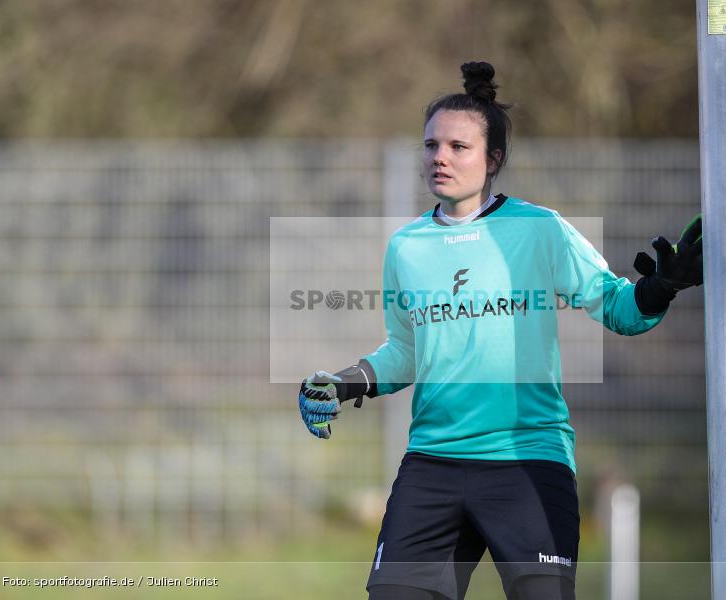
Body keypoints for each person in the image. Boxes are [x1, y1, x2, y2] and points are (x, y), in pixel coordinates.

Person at [297, 61, 703, 600]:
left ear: (493, 159)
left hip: (528, 460)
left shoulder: (540, 229)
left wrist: (658, 289)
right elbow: (407, 351)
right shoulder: (406, 246)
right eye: (430, 145)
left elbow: (619, 310)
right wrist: (347, 381)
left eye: (458, 147)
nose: (439, 157)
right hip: (433, 466)